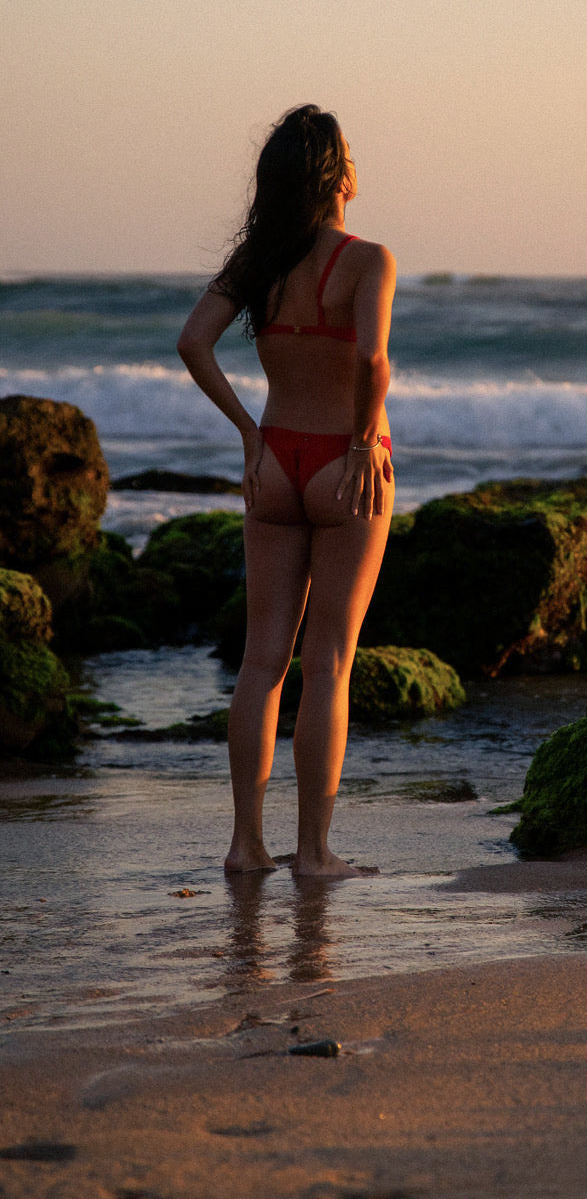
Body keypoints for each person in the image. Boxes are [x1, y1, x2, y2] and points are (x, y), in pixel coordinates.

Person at [177, 104, 396, 878]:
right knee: (329, 661)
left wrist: (246, 431)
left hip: (275, 462)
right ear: (338, 175)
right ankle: (315, 853)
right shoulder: (367, 259)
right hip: (345, 459)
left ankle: (246, 846)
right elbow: (372, 361)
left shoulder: (259, 263)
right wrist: (368, 439)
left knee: (261, 661)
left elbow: (191, 340)